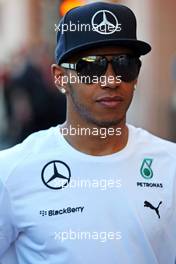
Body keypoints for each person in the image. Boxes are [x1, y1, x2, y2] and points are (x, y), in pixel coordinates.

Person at [0, 2, 175, 264]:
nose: (111, 80)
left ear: (136, 75)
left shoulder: (169, 163)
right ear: (60, 77)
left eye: (124, 64)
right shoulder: (12, 172)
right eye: (91, 66)